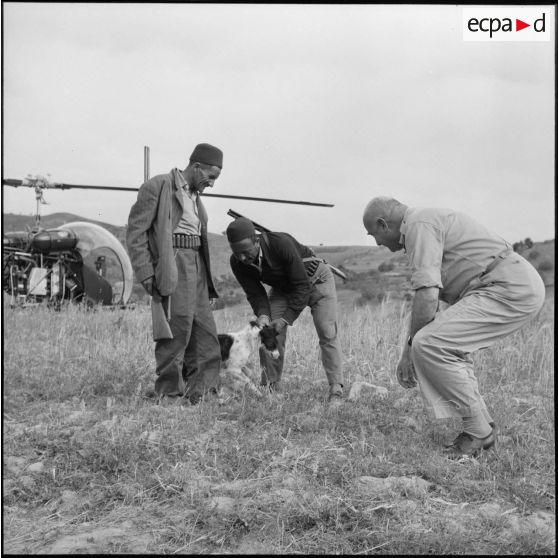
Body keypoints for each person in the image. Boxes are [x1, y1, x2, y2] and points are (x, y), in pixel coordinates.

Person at [362, 197, 545, 456]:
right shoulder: (420, 223)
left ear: (383, 224)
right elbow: (430, 304)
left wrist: (411, 351)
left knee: (431, 344)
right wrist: (409, 352)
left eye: (374, 235)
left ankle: (479, 432)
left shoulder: (418, 225)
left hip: (507, 286)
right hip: (503, 284)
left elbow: (426, 296)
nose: (377, 243)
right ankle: (482, 426)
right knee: (440, 343)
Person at [126, 143, 223, 405]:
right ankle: (169, 394)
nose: (212, 184)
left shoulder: (195, 196)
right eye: (210, 177)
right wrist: (146, 272)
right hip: (173, 263)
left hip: (197, 265)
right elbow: (136, 233)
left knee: (205, 330)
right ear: (196, 166)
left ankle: (202, 393)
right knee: (175, 329)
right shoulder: (157, 186)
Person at [225, 217, 344, 406]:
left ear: (257, 241)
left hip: (316, 280)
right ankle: (270, 388)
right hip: (283, 288)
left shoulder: (281, 244)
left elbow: (302, 287)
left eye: (246, 252)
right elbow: (255, 294)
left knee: (326, 331)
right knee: (269, 332)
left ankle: (336, 389)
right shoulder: (237, 263)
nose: (242, 258)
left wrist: (285, 320)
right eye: (236, 253)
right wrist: (263, 315)